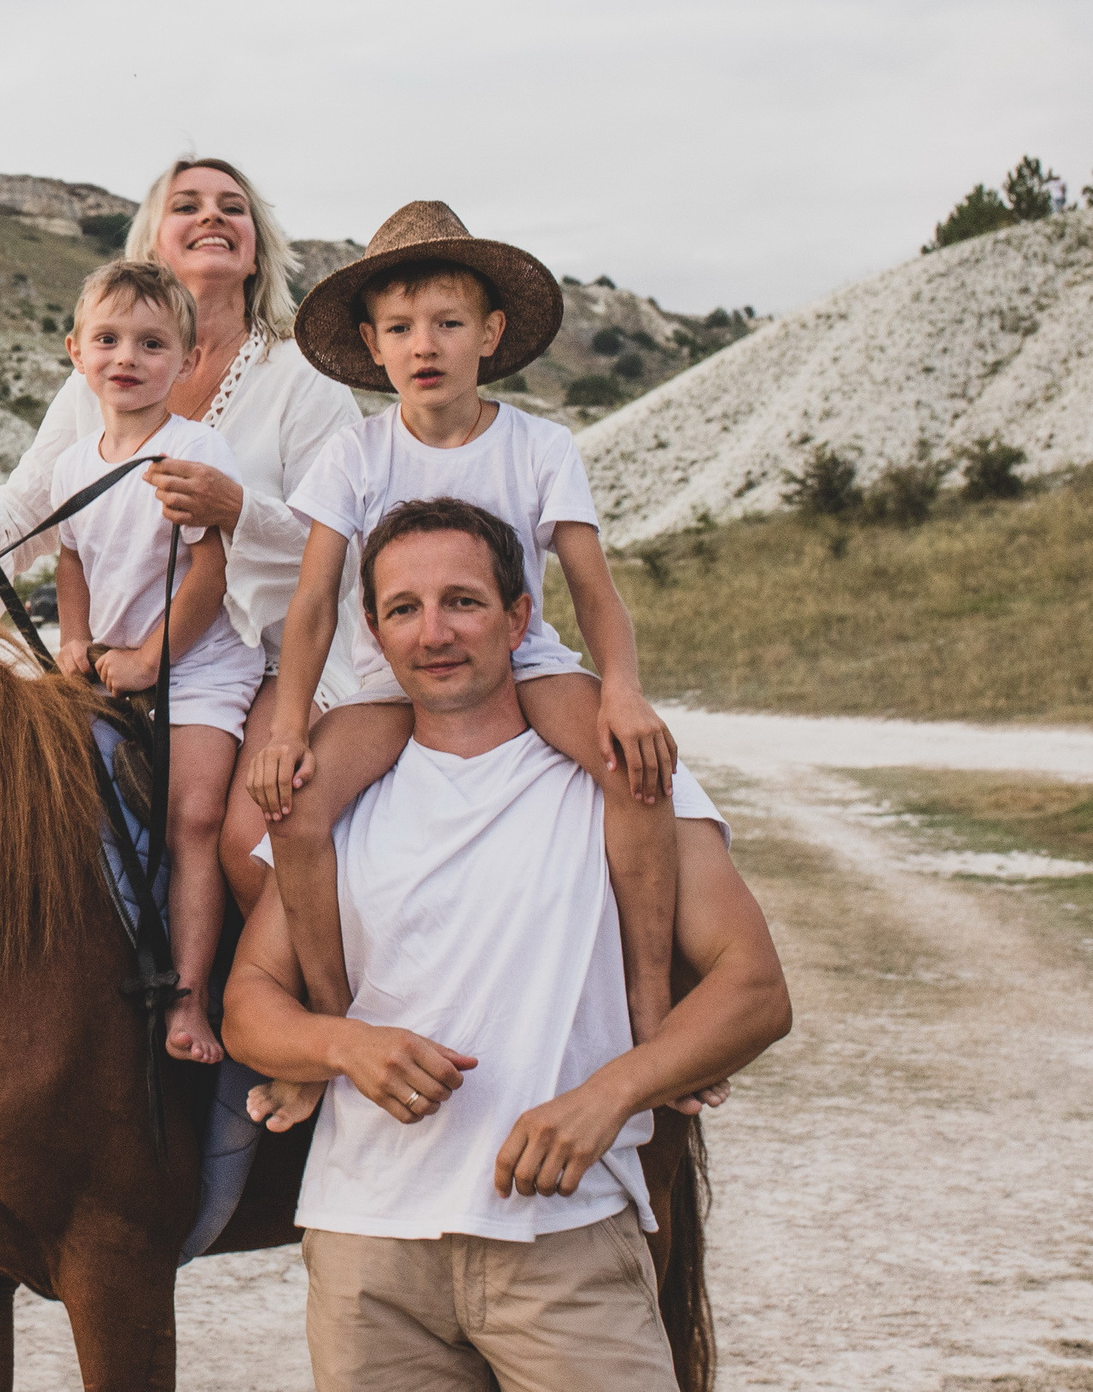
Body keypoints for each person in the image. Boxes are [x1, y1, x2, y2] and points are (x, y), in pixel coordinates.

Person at [224, 498, 792, 1391]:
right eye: (404, 608)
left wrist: (610, 1094)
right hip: (370, 1255)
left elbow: (755, 989)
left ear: (519, 616)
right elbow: (248, 1003)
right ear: (373, 631)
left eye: (463, 601)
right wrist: (343, 1044)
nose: (434, 632)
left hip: (564, 1241)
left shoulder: (619, 780)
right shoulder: (340, 801)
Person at [246, 201, 731, 1127]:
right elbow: (312, 601)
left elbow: (593, 587)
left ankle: (650, 1002)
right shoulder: (356, 452)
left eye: (447, 322)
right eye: (399, 328)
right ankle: (330, 1025)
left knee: (634, 769)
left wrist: (624, 692)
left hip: (526, 665)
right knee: (296, 808)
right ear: (373, 345)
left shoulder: (539, 445)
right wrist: (288, 727)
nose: (424, 345)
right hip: (391, 682)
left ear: (491, 334)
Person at [0, 157, 362, 909]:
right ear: (152, 246)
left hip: (271, 658)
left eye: (232, 207)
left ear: (257, 249)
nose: (212, 216)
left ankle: (264, 982)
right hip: (116, 657)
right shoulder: (103, 373)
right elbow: (31, 510)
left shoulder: (302, 376)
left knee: (245, 837)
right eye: (187, 204)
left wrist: (236, 509)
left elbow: (345, 543)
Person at [46, 261, 266, 1062]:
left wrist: (150, 658)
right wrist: (76, 638)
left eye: (151, 343)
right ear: (76, 352)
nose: (126, 358)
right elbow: (71, 558)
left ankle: (190, 997)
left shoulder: (196, 450)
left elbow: (212, 571)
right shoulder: (74, 463)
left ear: (187, 359)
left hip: (200, 663)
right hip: (117, 661)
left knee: (194, 816)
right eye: (107, 339)